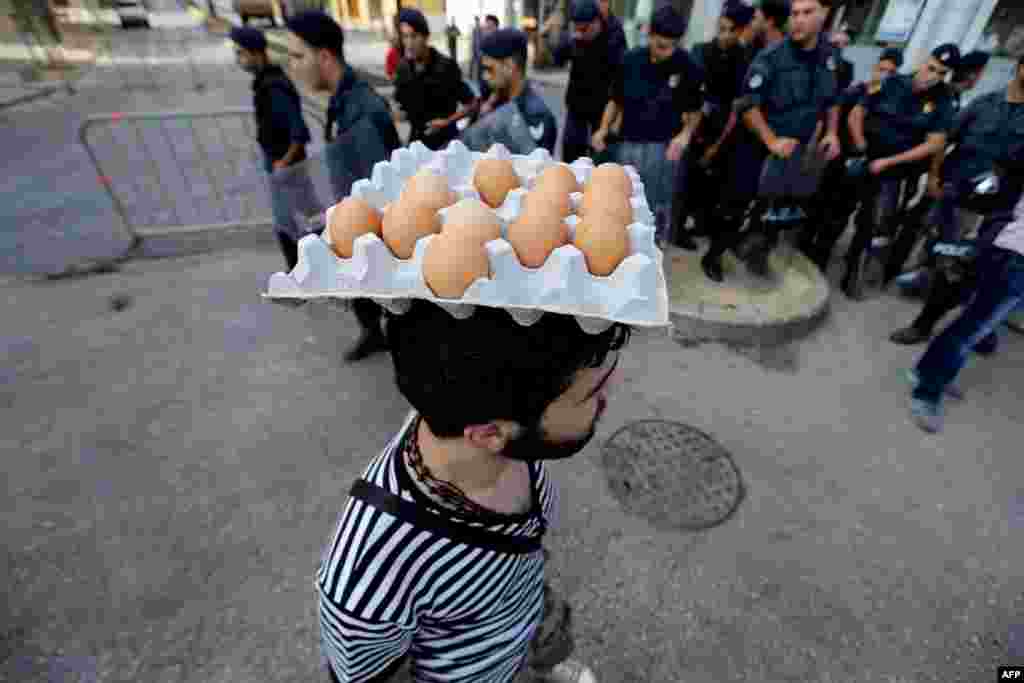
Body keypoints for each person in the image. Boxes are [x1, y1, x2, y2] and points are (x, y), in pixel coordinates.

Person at [316, 300, 629, 682]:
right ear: (489, 434)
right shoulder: (369, 575)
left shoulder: (485, 418)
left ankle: (546, 660)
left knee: (545, 621)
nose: (612, 390)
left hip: (523, 598)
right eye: (592, 392)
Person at [286, 10, 402, 363]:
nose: (292, 66)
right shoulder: (343, 101)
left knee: (388, 297)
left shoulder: (362, 109)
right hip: (355, 220)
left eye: (297, 55)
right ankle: (373, 332)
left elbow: (378, 193)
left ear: (324, 56)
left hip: (376, 230)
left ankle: (396, 341)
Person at [701, 0, 841, 283]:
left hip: (795, 150)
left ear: (824, 15)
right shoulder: (772, 56)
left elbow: (832, 98)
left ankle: (753, 249)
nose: (798, 20)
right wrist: (771, 140)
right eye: (794, 14)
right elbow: (748, 105)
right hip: (756, 145)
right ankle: (714, 255)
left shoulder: (828, 55)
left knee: (775, 208)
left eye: (807, 13)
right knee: (735, 205)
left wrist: (832, 132)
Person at [890, 56, 1024, 346]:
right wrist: (935, 178)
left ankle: (978, 328)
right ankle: (924, 324)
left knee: (979, 272)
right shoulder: (984, 104)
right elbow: (944, 140)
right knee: (950, 267)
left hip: (998, 214)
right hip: (960, 202)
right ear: (1020, 68)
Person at [841, 43, 960, 299]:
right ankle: (817, 253)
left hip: (895, 173)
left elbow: (935, 143)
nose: (933, 76)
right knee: (838, 208)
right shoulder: (890, 82)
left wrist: (891, 162)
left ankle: (853, 272)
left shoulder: (943, 100)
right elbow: (856, 113)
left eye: (941, 73)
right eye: (931, 68)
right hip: (865, 158)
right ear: (923, 60)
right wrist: (861, 145)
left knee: (874, 224)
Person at [907, 175, 1024, 434]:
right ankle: (926, 393)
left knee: (971, 324)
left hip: (1010, 255)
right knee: (971, 330)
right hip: (1015, 259)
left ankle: (926, 371)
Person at [590, 5, 703, 243]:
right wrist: (602, 129)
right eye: (661, 46)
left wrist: (684, 136)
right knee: (624, 205)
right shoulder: (631, 60)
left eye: (673, 47)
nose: (667, 53)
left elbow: (694, 111)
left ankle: (652, 252)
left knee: (657, 210)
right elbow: (615, 100)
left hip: (664, 150)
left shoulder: (689, 67)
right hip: (628, 145)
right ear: (649, 33)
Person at [883, 50, 992, 289]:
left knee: (913, 222)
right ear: (974, 74)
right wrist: (932, 176)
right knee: (910, 222)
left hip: (928, 170)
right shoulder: (948, 98)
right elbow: (941, 140)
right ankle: (890, 269)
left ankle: (895, 267)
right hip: (923, 170)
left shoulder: (953, 97)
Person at [797, 47, 903, 272]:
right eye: (882, 69)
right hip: (837, 159)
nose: (884, 75)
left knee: (841, 213)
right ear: (875, 68)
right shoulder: (855, 92)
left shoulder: (891, 102)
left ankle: (820, 256)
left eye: (890, 72)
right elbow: (830, 117)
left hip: (861, 166)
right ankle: (802, 247)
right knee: (818, 204)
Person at [230, 26, 318, 271]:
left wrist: (284, 162)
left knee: (292, 221)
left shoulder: (274, 87)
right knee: (302, 217)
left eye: (241, 53)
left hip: (288, 168)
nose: (239, 59)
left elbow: (299, 132)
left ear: (257, 53)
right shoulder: (265, 83)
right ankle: (306, 267)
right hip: (281, 165)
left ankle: (302, 269)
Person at [670, 2, 754, 249]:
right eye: (723, 28)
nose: (725, 35)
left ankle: (700, 222)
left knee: (708, 182)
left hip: (721, 128)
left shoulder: (743, 59)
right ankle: (677, 228)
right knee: (685, 179)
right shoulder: (701, 51)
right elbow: (688, 93)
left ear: (740, 32)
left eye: (732, 30)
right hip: (695, 123)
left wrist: (718, 143)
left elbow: (737, 105)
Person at [543, 0, 627, 164]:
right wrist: (553, 33)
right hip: (577, 106)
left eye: (585, 29)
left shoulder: (614, 38)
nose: (580, 33)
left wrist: (614, 122)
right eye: (577, 29)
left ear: (597, 22)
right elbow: (558, 57)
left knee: (601, 158)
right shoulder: (575, 36)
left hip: (603, 109)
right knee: (571, 153)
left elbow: (621, 82)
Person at [393, 8, 478, 151]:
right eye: (405, 37)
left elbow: (472, 104)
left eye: (414, 36)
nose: (409, 43)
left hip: (447, 145)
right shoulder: (403, 69)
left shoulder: (446, 66)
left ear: (426, 36)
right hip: (416, 145)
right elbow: (401, 107)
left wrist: (446, 122)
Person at [464, 28, 559, 155]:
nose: (485, 76)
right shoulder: (492, 100)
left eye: (490, 69)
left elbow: (535, 170)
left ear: (509, 66)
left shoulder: (535, 116)